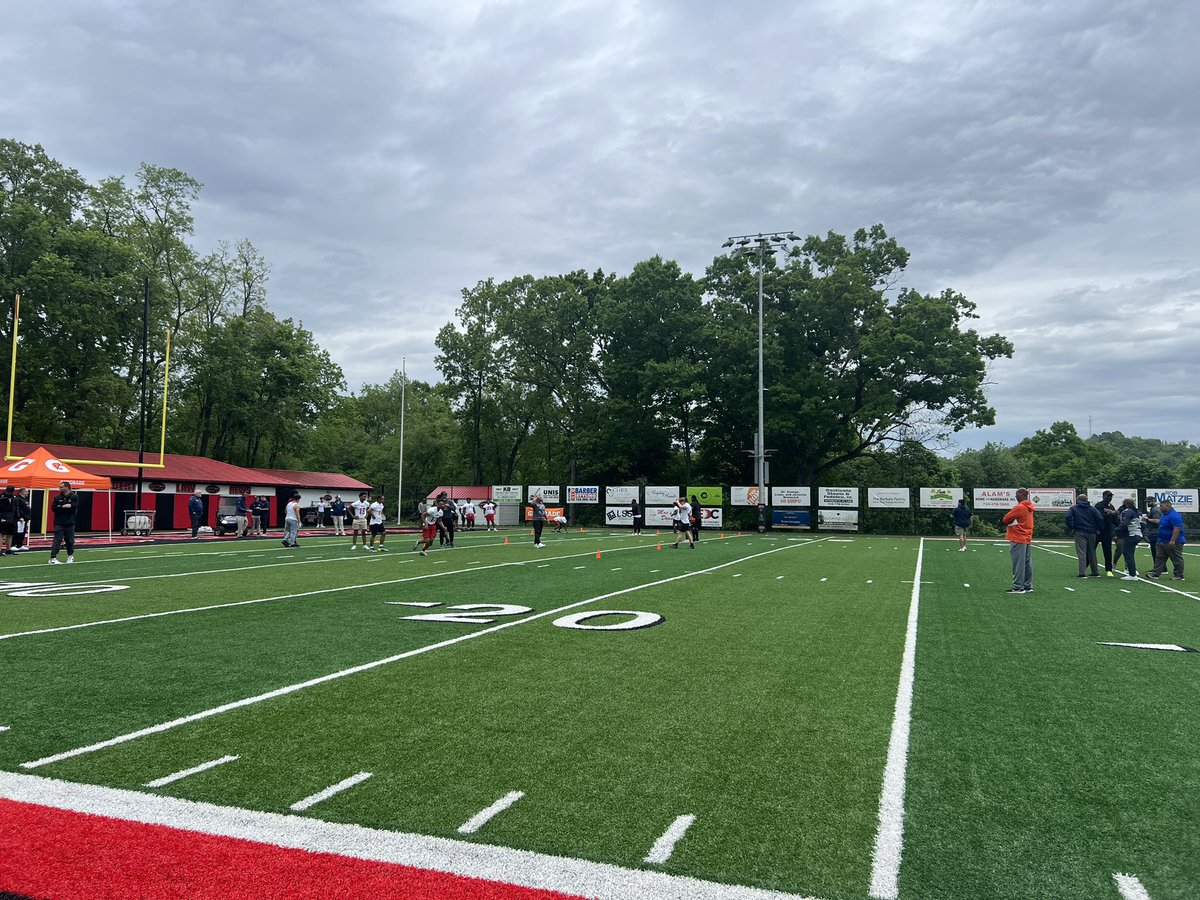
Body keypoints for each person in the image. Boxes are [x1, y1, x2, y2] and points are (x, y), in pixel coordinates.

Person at [1002, 488, 1035, 593]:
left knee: (1018, 563)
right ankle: (1027, 585)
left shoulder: (1019, 507)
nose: (1015, 496)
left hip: (1018, 536)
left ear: (1021, 494)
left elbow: (1006, 519)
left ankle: (1018, 586)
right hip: (1027, 536)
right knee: (1026, 563)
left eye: (1016, 494)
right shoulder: (1029, 506)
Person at [1065, 494, 1103, 578]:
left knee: (1081, 552)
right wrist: (1098, 528)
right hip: (1092, 532)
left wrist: (1072, 526)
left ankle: (1082, 572)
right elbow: (1100, 518)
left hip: (1079, 531)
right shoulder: (1092, 509)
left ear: (1078, 500)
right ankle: (1095, 571)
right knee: (1092, 552)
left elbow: (1068, 517)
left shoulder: (1074, 508)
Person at [1147, 499, 1185, 580]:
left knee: (1176, 558)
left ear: (1168, 506)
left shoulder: (1174, 516)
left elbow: (1177, 528)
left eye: (1161, 506)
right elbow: (1161, 523)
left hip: (1173, 541)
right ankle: (1156, 573)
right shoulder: (1164, 515)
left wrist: (1172, 540)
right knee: (1159, 557)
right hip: (1162, 540)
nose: (1160, 508)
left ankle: (1179, 575)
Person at [49, 480, 79, 564]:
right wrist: (63, 507)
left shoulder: (74, 497)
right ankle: (53, 558)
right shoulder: (57, 497)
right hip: (59, 522)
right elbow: (54, 508)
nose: (60, 488)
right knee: (57, 540)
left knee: (70, 540)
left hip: (70, 522)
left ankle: (70, 556)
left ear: (67, 487)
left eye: (61, 487)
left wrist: (69, 506)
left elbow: (74, 507)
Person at [1116, 497, 1142, 581]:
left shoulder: (1128, 511)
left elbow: (1125, 522)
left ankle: (1132, 574)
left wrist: (1117, 530)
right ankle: (1133, 571)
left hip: (1132, 534)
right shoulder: (1135, 511)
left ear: (1125, 504)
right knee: (1129, 553)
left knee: (1128, 554)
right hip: (1137, 533)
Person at [1094, 491, 1119, 576]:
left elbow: (1115, 519)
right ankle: (1086, 567)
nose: (1109, 498)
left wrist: (1118, 527)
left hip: (1107, 532)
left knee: (1108, 552)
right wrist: (1110, 513)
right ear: (1104, 496)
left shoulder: (1111, 506)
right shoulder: (1099, 505)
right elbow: (1099, 516)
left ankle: (1109, 570)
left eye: (1111, 496)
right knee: (1091, 550)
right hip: (1098, 531)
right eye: (1108, 496)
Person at [1142, 497, 1160, 563]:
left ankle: (1158, 567)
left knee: (1155, 550)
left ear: (1153, 501)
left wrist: (1147, 519)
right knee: (1155, 550)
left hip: (1155, 531)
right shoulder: (1154, 509)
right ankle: (1160, 567)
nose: (1147, 503)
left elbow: (1157, 520)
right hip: (1154, 531)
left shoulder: (1155, 510)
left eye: (1148, 502)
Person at [0, 486, 16, 555]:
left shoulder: (13, 497)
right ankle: (4, 549)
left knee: (9, 534)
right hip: (5, 517)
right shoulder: (3, 497)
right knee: (2, 534)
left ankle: (8, 549)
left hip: (9, 517)